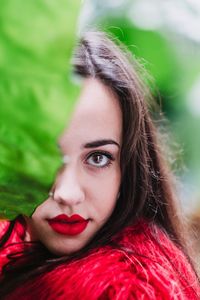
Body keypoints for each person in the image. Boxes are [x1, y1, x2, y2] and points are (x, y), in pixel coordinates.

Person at [0, 31, 199, 299]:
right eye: (44, 157)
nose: (67, 194)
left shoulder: (127, 290)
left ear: (128, 170)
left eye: (98, 158)